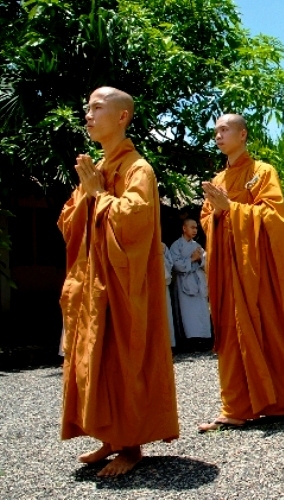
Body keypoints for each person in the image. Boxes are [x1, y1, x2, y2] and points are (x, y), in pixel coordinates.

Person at [58, 86, 179, 476]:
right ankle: (109, 437)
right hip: (94, 285)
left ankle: (131, 445)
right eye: (87, 108)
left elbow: (135, 221)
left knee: (124, 356)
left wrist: (98, 197)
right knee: (97, 358)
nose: (88, 115)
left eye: (97, 108)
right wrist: (86, 197)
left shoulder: (137, 169)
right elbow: (67, 224)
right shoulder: (99, 167)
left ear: (122, 116)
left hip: (124, 287)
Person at [199, 113, 284, 430]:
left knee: (268, 328)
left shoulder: (263, 172)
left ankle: (282, 400)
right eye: (216, 131)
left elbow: (274, 218)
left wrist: (232, 209)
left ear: (243, 134)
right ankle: (236, 405)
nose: (218, 136)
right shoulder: (219, 180)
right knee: (232, 333)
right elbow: (207, 220)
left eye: (224, 130)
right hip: (230, 270)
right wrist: (220, 213)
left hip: (259, 272)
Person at [170, 219, 212, 343]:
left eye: (196, 228)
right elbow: (175, 264)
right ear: (184, 228)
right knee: (187, 313)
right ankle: (190, 340)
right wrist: (192, 259)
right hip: (185, 282)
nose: (195, 230)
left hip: (198, 282)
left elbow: (205, 262)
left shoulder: (197, 246)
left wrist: (200, 259)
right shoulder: (176, 245)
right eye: (192, 227)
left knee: (202, 310)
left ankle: (204, 338)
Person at [162, 242, 176, 348]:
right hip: (147, 284)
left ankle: (168, 344)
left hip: (162, 283)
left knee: (165, 313)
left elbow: (171, 263)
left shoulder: (162, 246)